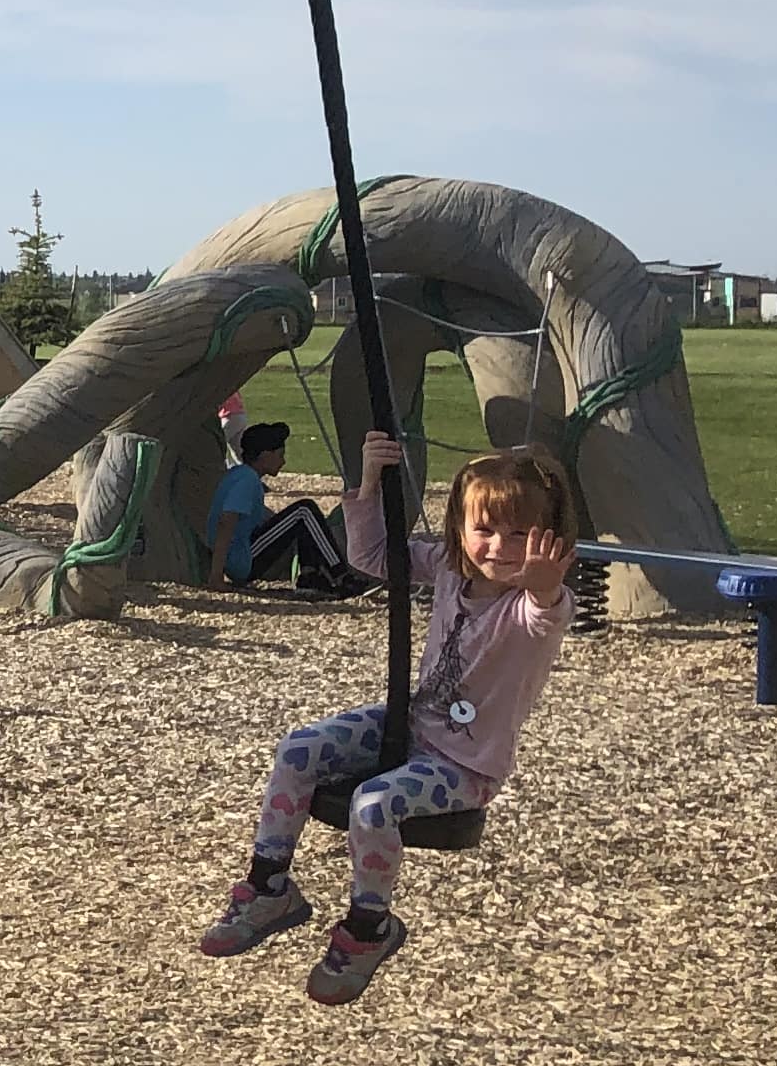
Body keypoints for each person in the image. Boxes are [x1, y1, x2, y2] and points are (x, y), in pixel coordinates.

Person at [201, 432, 576, 1006]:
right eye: (484, 529)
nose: (500, 546)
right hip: (412, 722)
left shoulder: (530, 608)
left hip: (465, 763)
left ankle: (368, 928)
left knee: (373, 804)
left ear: (548, 539)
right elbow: (372, 557)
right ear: (459, 529)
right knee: (298, 750)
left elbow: (546, 612)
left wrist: (546, 585)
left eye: (520, 534)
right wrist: (372, 482)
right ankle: (268, 886)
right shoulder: (449, 567)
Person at [209, 420, 357, 593]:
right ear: (265, 456)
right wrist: (216, 576)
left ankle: (310, 575)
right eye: (280, 455)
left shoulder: (239, 474)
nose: (283, 461)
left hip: (238, 558)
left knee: (300, 519)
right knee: (304, 510)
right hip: (242, 561)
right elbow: (226, 521)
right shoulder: (246, 479)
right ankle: (341, 575)